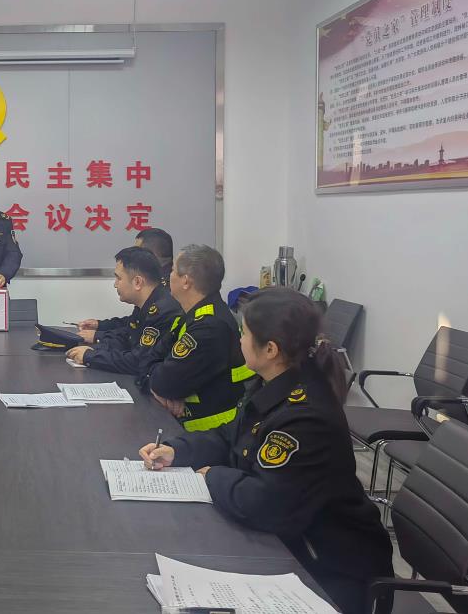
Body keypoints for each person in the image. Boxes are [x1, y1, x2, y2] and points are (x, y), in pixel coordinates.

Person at [139, 288, 393, 614]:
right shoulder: (274, 383)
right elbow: (231, 437)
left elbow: (265, 503)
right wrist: (176, 450)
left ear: (271, 349)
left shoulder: (306, 416)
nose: (239, 340)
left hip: (329, 571)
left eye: (244, 333)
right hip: (290, 544)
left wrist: (213, 476)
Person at [148, 244, 254, 431]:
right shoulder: (190, 314)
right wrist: (154, 382)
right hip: (186, 424)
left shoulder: (209, 326)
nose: (168, 276)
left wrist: (156, 385)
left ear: (186, 281)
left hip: (209, 429)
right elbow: (148, 359)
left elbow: (165, 382)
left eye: (173, 270)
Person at [65, 247, 181, 387]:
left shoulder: (162, 311)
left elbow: (138, 361)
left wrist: (90, 356)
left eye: (118, 278)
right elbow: (128, 337)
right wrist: (96, 347)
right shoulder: (146, 303)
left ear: (137, 282)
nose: (115, 284)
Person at [77, 228, 174, 345]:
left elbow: (139, 345)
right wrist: (100, 326)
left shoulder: (170, 290)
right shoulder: (155, 282)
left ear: (149, 256)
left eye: (138, 251)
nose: (133, 254)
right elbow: (135, 324)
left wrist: (97, 340)